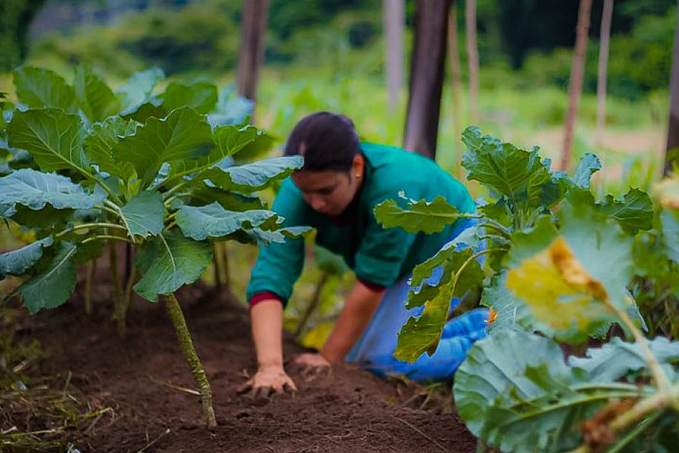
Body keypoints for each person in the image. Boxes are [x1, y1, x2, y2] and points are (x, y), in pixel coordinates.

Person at [240, 112, 489, 396]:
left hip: (453, 244)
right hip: (404, 260)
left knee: (382, 359)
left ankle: (497, 339)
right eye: (305, 191)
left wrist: (328, 358)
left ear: (356, 166)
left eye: (326, 191)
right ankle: (482, 322)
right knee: (359, 356)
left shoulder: (393, 190)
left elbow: (372, 283)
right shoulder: (297, 193)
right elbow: (272, 274)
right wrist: (270, 366)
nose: (316, 203)